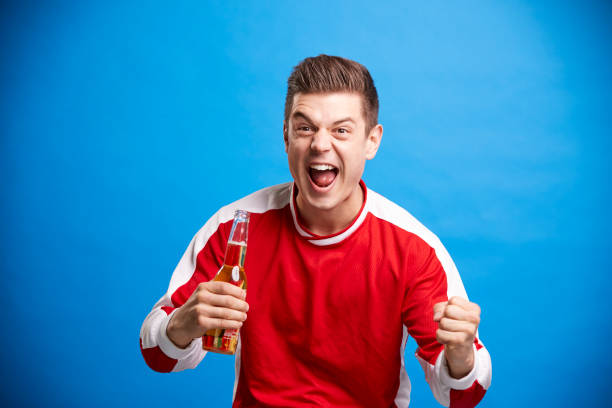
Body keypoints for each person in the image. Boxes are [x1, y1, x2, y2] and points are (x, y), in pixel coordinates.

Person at [140, 55, 492, 407]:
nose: (321, 145)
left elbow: (463, 395)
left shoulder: (414, 249)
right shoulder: (235, 227)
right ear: (286, 136)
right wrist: (181, 325)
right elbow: (158, 355)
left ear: (372, 141)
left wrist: (461, 355)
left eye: (341, 130)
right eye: (305, 127)